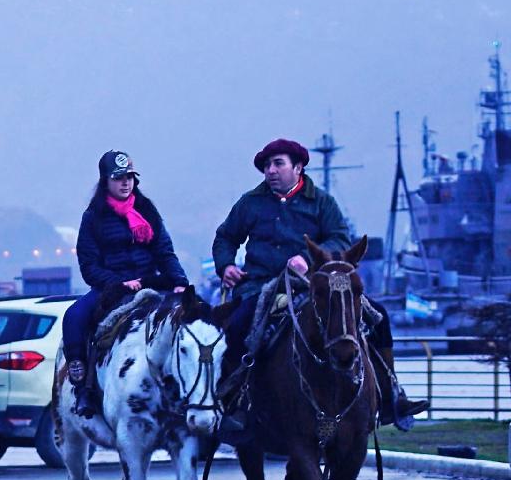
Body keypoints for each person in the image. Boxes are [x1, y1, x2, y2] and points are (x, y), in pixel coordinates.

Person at [212, 137, 425, 440]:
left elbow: (340, 237)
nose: (270, 171)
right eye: (267, 166)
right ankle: (235, 403)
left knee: (378, 316)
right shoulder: (250, 203)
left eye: (278, 164)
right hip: (261, 284)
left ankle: (391, 395)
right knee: (237, 326)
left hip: (314, 283)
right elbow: (225, 237)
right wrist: (226, 265)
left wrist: (311, 256)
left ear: (298, 167)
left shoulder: (322, 202)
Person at [61, 150, 187, 415]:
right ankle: (82, 384)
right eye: (119, 178)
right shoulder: (93, 217)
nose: (125, 183)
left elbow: (165, 251)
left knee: (194, 316)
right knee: (74, 316)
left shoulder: (147, 210)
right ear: (105, 181)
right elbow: (89, 265)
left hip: (151, 282)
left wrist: (180, 282)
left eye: (129, 177)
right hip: (111, 287)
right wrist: (119, 283)